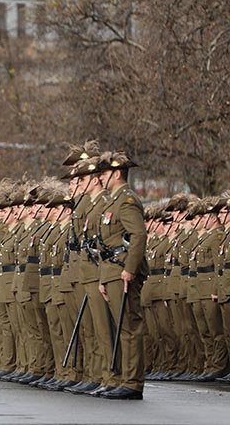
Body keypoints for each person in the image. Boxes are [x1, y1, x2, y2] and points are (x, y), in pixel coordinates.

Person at [95, 152, 148, 399]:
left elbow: (138, 236)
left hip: (122, 269)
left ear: (116, 174)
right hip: (112, 270)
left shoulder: (126, 201)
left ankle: (133, 382)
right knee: (122, 326)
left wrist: (130, 269)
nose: (101, 179)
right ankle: (125, 379)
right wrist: (103, 278)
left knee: (129, 326)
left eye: (104, 174)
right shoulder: (112, 201)